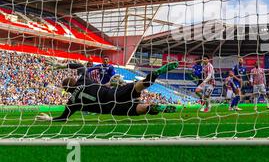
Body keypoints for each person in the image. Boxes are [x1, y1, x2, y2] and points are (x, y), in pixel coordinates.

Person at [35, 61, 179, 121]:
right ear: (74, 80)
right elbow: (79, 65)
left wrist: (49, 118)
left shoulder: (72, 101)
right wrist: (61, 66)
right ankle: (157, 73)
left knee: (138, 108)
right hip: (113, 93)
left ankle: (151, 107)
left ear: (67, 90)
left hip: (110, 107)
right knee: (141, 84)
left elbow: (63, 118)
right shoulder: (83, 79)